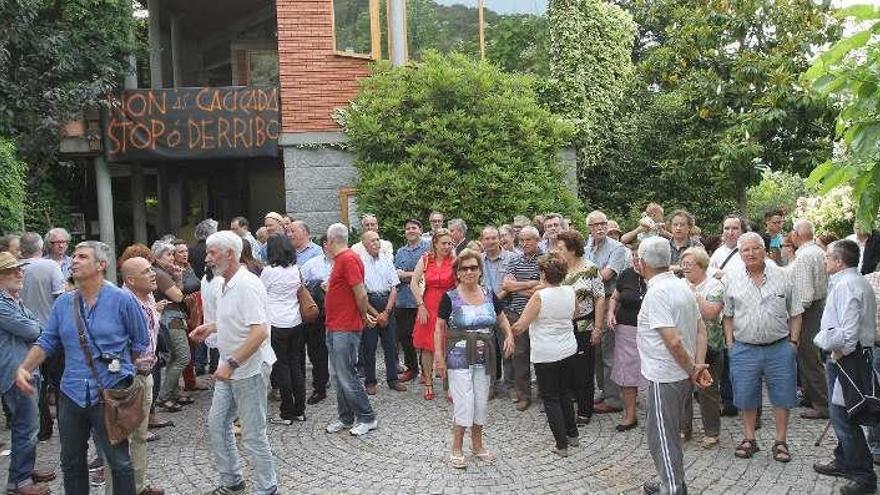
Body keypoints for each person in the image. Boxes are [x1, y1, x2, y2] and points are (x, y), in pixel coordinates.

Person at [15, 241, 149, 494]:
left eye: (82, 256)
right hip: (71, 393)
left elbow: (140, 342)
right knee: (71, 462)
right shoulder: (64, 303)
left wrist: (120, 370)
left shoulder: (122, 300)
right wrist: (25, 367)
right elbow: (47, 340)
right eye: (73, 256)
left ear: (101, 265)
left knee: (119, 461)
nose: (73, 260)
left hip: (110, 393)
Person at [189, 231, 278, 495]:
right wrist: (212, 327)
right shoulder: (223, 283)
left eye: (212, 253)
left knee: (253, 433)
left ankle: (267, 487)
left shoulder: (246, 284)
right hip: (233, 369)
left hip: (247, 369)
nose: (207, 258)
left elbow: (259, 331)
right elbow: (241, 322)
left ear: (230, 254)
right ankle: (232, 481)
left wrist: (232, 363)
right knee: (217, 424)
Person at [636, 237, 710, 495]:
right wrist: (697, 366)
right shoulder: (682, 286)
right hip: (679, 374)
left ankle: (673, 488)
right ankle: (671, 481)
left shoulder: (657, 293)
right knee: (666, 433)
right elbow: (701, 329)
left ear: (641, 263)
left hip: (665, 376)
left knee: (663, 438)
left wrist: (694, 369)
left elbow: (674, 342)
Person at [723, 232, 803, 463]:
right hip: (744, 347)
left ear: (764, 249)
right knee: (745, 395)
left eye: (755, 248)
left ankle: (781, 441)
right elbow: (727, 315)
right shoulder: (731, 278)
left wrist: (793, 342)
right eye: (745, 250)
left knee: (782, 395)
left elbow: (796, 312)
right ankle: (749, 439)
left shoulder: (783, 275)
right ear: (739, 253)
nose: (750, 253)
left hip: (779, 347)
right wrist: (730, 345)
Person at [435, 249, 514, 468]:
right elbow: (439, 327)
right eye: (464, 268)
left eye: (474, 267)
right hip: (458, 356)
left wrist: (508, 335)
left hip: (485, 356)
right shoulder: (449, 297)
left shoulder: (489, 294)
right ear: (458, 273)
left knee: (480, 400)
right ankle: (457, 447)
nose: (469, 272)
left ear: (480, 271)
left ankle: (478, 445)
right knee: (464, 402)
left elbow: (501, 318)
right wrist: (439, 356)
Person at [812, 239, 878, 495]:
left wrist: (839, 354)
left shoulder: (847, 285)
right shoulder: (853, 281)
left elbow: (848, 332)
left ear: (839, 261)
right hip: (852, 354)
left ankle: (864, 477)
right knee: (841, 411)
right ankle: (843, 459)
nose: (824, 260)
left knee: (842, 417)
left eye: (828, 256)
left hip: (847, 357)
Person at [511, 253, 579, 456]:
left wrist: (506, 326)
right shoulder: (570, 290)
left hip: (546, 353)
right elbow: (575, 313)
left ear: (543, 274)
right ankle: (573, 434)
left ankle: (561, 445)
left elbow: (521, 325)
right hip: (568, 348)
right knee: (565, 393)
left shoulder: (539, 297)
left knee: (550, 398)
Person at [0, 252, 55, 495]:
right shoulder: (2, 303)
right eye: (13, 270)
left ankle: (25, 470)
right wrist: (35, 327)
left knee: (28, 426)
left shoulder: (13, 299)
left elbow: (37, 326)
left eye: (19, 269)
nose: (19, 273)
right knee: (26, 427)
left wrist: (36, 327)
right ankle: (19, 482)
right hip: (15, 374)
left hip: (25, 369)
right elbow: (32, 328)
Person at [321, 223, 379, 436]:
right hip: (335, 325)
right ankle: (345, 417)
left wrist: (364, 315)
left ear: (331, 239)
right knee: (338, 375)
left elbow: (361, 293)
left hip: (345, 327)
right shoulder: (341, 260)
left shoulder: (347, 259)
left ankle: (367, 416)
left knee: (347, 374)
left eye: (326, 241)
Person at [118, 257, 165, 495]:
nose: (153, 273)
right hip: (129, 377)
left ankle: (137, 487)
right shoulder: (124, 301)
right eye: (147, 271)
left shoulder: (147, 297)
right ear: (130, 280)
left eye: (152, 269)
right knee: (120, 440)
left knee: (139, 437)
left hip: (146, 373)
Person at [18, 232, 65, 441]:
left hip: (25, 336)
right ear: (42, 246)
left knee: (37, 383)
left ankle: (43, 428)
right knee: (59, 382)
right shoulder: (50, 267)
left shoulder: (15, 270)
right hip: (51, 333)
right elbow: (61, 298)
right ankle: (66, 425)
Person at [556, 231, 605, 425]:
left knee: (583, 369)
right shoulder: (559, 270)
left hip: (585, 324)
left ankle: (585, 409)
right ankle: (567, 405)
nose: (557, 251)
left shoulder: (590, 269)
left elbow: (599, 298)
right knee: (565, 367)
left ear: (573, 249)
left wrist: (597, 328)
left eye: (560, 248)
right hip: (563, 325)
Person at [680, 247, 725, 448]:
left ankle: (711, 432)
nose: (685, 268)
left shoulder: (715, 285)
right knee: (683, 389)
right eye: (684, 264)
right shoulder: (679, 284)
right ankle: (683, 429)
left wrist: (694, 296)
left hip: (710, 346)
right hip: (684, 345)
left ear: (702, 265)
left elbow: (711, 313)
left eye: (690, 264)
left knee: (708, 391)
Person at [261, 233, 307, 424]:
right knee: (296, 366)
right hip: (295, 321)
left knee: (281, 368)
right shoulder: (295, 269)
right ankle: (299, 409)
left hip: (276, 323)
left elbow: (261, 296)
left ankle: (286, 412)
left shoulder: (269, 272)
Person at [584, 211, 627, 415]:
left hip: (610, 302)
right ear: (589, 228)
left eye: (603, 223)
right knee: (597, 349)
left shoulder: (617, 247)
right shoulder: (587, 248)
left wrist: (584, 281)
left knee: (609, 351)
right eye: (596, 225)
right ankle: (604, 390)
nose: (600, 227)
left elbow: (607, 275)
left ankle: (614, 398)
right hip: (592, 302)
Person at [605, 241, 647, 431]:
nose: (637, 262)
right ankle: (630, 415)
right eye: (634, 258)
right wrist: (610, 312)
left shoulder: (657, 276)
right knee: (627, 374)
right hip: (626, 329)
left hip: (652, 332)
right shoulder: (626, 274)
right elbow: (615, 297)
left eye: (641, 258)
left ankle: (660, 414)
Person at [358, 230, 407, 394]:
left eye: (378, 240)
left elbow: (394, 287)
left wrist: (386, 312)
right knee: (369, 346)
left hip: (387, 303)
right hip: (369, 302)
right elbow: (361, 292)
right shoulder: (360, 263)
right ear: (364, 243)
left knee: (391, 345)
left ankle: (393, 378)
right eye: (372, 241)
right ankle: (370, 381)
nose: (376, 243)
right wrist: (374, 314)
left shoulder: (387, 261)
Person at [790, 219, 829, 420]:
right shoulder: (818, 252)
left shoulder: (805, 256)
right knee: (807, 356)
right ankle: (809, 395)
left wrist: (794, 315)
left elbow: (805, 294)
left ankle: (822, 404)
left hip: (808, 311)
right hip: (818, 305)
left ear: (796, 234)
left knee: (809, 357)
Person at [411, 228, 456, 400]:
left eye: (449, 243)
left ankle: (450, 384)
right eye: (443, 243)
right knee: (427, 346)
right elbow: (414, 283)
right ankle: (428, 382)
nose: (447, 246)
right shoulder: (425, 259)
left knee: (449, 345)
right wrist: (420, 304)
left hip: (448, 304)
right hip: (428, 304)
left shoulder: (454, 260)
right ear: (435, 243)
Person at [502, 226, 543, 411]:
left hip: (540, 315)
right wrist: (530, 284)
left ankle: (545, 394)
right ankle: (524, 395)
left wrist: (517, 286)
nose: (524, 243)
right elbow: (506, 285)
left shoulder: (545, 259)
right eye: (522, 240)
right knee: (520, 355)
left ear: (537, 240)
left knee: (542, 355)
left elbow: (544, 286)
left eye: (528, 240)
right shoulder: (515, 259)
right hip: (517, 313)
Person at [151, 241, 191, 413]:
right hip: (170, 317)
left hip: (171, 315)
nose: (172, 257)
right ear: (158, 257)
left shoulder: (165, 272)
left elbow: (179, 291)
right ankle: (164, 396)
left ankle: (173, 393)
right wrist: (177, 281)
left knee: (175, 357)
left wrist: (178, 278)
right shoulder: (160, 274)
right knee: (182, 356)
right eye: (169, 254)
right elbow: (178, 296)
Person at [480, 226, 515, 397]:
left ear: (499, 239)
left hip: (506, 309)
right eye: (487, 238)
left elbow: (510, 285)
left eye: (494, 238)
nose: (491, 241)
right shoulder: (478, 260)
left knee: (507, 348)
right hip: (485, 311)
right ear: (482, 241)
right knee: (488, 350)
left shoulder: (511, 259)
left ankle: (510, 386)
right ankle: (491, 385)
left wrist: (494, 301)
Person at [394, 219, 430, 383]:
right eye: (407, 228)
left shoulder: (428, 249)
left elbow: (426, 274)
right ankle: (411, 368)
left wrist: (408, 275)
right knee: (405, 336)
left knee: (423, 336)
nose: (410, 231)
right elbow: (394, 274)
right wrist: (409, 275)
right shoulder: (400, 251)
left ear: (420, 230)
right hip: (403, 300)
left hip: (422, 300)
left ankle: (426, 370)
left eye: (414, 228)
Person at [300, 236, 332, 405]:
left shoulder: (346, 261)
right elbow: (299, 283)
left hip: (340, 312)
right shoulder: (312, 264)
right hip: (318, 314)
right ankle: (320, 385)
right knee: (317, 349)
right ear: (325, 245)